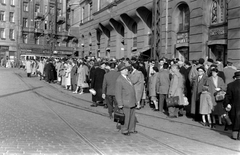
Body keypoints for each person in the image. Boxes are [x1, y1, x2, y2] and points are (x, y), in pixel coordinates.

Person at [115, 63, 137, 136]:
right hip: (125, 102)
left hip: (131, 101)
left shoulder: (128, 78)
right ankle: (124, 130)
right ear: (121, 71)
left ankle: (131, 129)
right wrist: (120, 103)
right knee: (126, 117)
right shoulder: (119, 80)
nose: (127, 70)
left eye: (127, 69)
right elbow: (118, 93)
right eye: (125, 69)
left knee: (132, 116)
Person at [224, 71, 240, 140]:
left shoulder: (230, 85)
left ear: (235, 77)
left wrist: (226, 104)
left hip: (234, 105)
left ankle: (234, 136)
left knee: (235, 120)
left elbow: (228, 97)